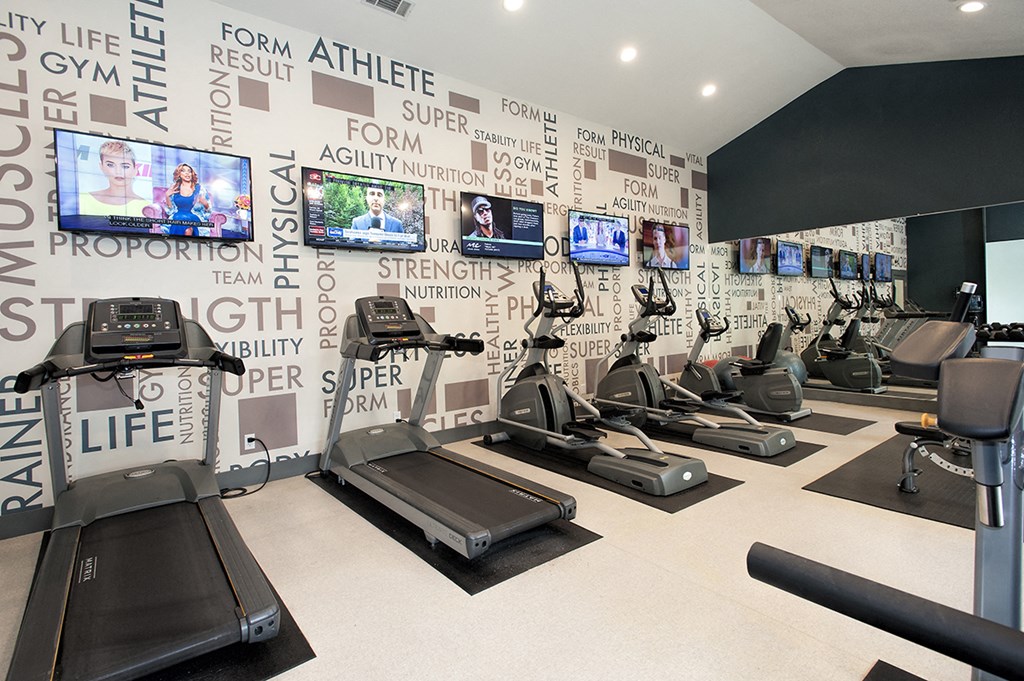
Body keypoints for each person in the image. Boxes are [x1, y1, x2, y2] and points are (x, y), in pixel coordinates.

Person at [78, 140, 149, 217]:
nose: (118, 172)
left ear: (135, 169)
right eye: (110, 165)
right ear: (101, 166)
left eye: (125, 166)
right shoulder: (83, 200)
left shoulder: (146, 207)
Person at [164, 163, 210, 236]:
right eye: (183, 171)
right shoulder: (174, 187)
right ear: (179, 174)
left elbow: (208, 213)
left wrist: (205, 204)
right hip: (177, 216)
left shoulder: (200, 189)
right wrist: (167, 196)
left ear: (192, 174)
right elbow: (170, 211)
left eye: (189, 171)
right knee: (188, 229)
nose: (187, 173)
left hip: (194, 216)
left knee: (181, 219)